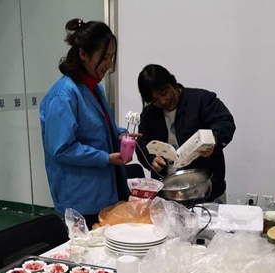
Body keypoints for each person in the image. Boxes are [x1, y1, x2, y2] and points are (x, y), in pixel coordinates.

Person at [40, 18, 135, 229]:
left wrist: (120, 134)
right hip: (82, 199)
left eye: (112, 57)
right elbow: (61, 149)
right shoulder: (63, 95)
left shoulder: (94, 88)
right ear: (83, 54)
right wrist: (106, 158)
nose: (109, 64)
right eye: (104, 57)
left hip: (107, 191)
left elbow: (99, 129)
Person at [136, 64, 236, 202]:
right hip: (168, 193)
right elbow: (141, 143)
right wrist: (151, 159)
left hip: (207, 189)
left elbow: (225, 123)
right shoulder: (149, 115)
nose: (163, 101)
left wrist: (214, 139)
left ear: (172, 81)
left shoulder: (201, 100)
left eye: (164, 93)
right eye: (155, 100)